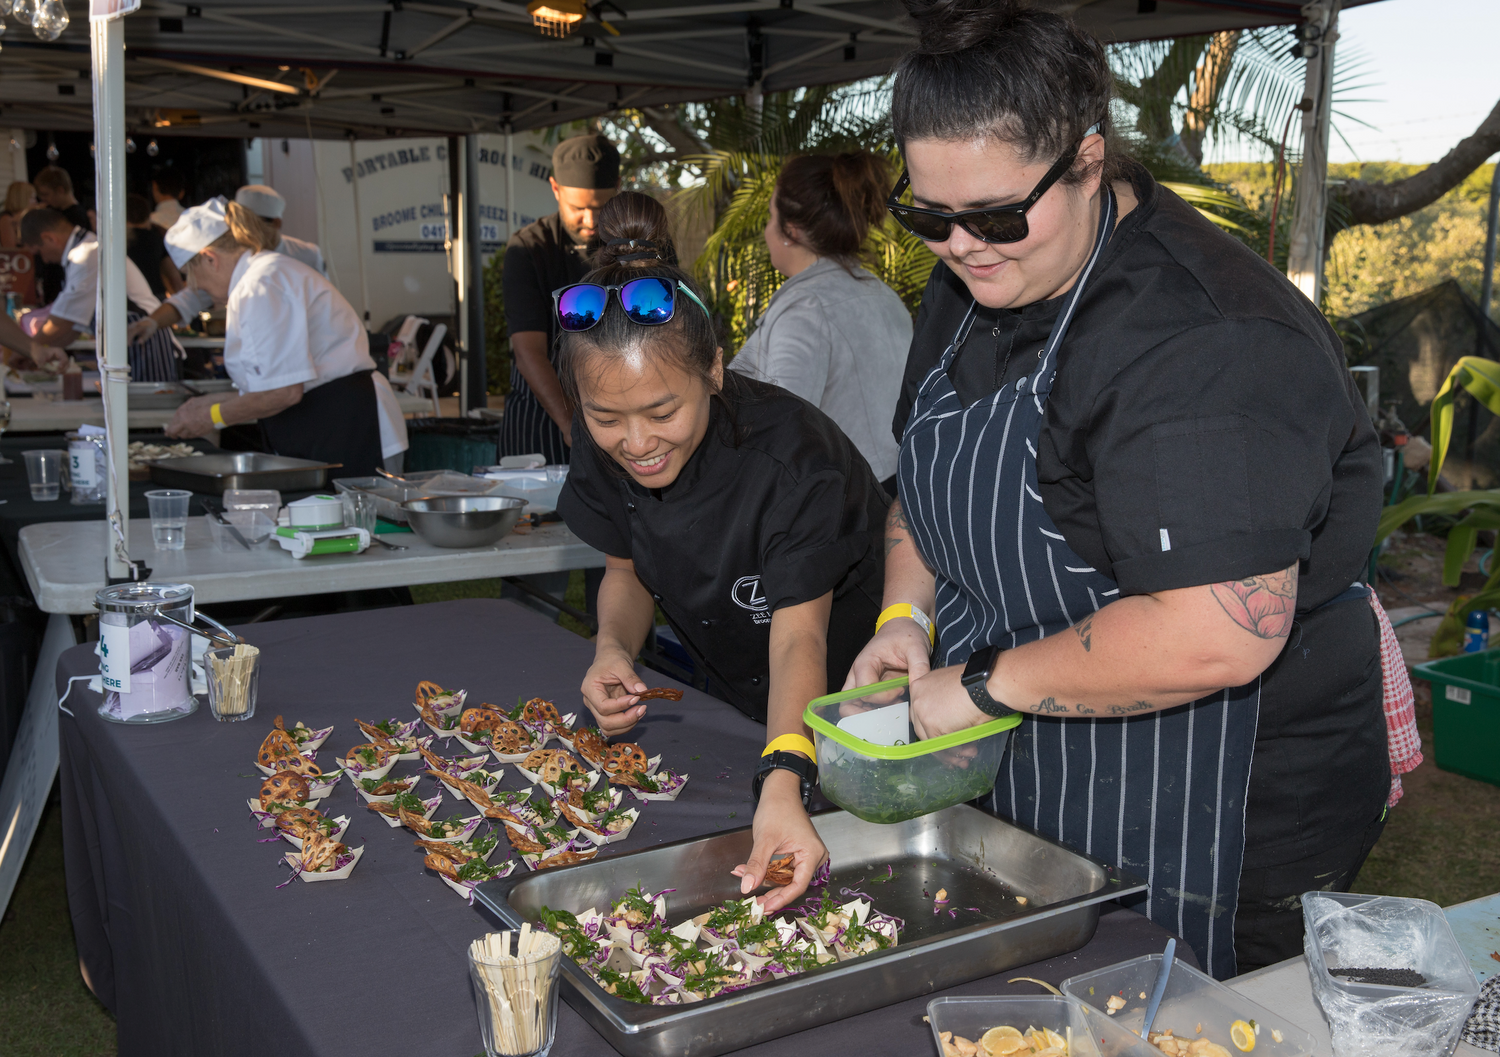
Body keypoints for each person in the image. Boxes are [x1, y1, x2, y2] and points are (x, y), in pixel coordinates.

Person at [844, 0, 1389, 980]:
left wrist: (979, 685)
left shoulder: (1207, 345)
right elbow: (922, 484)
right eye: (930, 216)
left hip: (1221, 796)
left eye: (997, 214)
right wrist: (904, 614)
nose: (963, 246)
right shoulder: (974, 284)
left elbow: (1215, 631)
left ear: (1091, 161)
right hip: (1023, 757)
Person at [558, 193, 887, 912]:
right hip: (740, 702)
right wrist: (613, 647)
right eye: (606, 417)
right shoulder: (601, 441)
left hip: (860, 708)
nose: (636, 443)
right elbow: (625, 568)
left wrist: (783, 774)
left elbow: (800, 632)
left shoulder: (795, 460)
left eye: (662, 412)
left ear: (713, 368)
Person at [162, 197, 408, 475]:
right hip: (327, 422)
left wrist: (213, 416)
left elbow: (282, 392)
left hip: (346, 423)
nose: (194, 286)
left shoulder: (260, 284)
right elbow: (272, 382)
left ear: (210, 258)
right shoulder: (262, 274)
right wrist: (210, 402)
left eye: (190, 275)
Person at [727, 153, 911, 492]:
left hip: (846, 501)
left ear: (790, 231)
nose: (767, 229)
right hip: (895, 485)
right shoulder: (880, 293)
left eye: (770, 217)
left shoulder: (807, 309)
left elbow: (782, 427)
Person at [501, 133, 619, 465]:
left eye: (601, 207)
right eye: (578, 208)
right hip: (541, 415)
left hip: (618, 411)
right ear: (555, 189)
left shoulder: (637, 245)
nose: (591, 221)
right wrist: (571, 424)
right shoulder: (528, 249)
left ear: (619, 187)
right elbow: (528, 352)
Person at [130, 184, 326, 343]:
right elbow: (190, 298)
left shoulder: (264, 276)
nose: (245, 230)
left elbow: (284, 386)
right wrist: (152, 322)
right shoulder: (243, 269)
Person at [18, 207, 181, 382]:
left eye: (39, 253)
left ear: (49, 238)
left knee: (148, 406)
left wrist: (27, 350)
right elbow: (72, 328)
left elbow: (62, 321)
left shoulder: (87, 255)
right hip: (129, 341)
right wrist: (43, 351)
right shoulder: (82, 253)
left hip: (145, 339)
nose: (45, 260)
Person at [125, 192, 183, 301]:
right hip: (155, 298)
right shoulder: (157, 237)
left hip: (125, 302)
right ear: (148, 217)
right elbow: (174, 279)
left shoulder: (115, 242)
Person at [0, 181, 35, 248]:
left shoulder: (26, 217)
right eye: (32, 197)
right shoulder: (6, 218)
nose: (35, 201)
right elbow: (10, 248)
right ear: (22, 198)